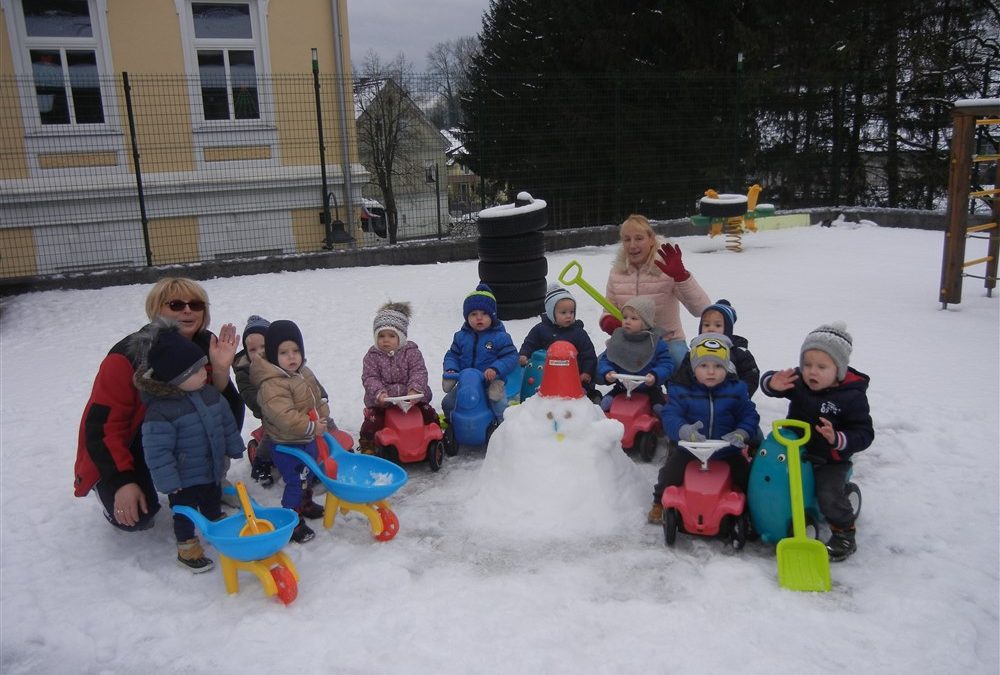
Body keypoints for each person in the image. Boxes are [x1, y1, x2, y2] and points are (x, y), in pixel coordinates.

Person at [74, 277, 241, 531]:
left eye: (195, 304)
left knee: (227, 408)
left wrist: (219, 370)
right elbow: (102, 427)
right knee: (138, 519)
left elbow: (220, 409)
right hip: (135, 443)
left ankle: (205, 478)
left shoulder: (205, 344)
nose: (187, 310)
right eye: (175, 304)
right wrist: (122, 481)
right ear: (156, 310)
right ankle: (107, 487)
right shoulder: (127, 356)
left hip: (178, 435)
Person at [135, 319, 245, 572]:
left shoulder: (209, 395)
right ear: (176, 379)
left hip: (210, 467)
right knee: (184, 512)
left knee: (211, 498)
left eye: (202, 368)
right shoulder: (160, 412)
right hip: (183, 479)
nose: (204, 373)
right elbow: (157, 452)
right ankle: (187, 547)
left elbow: (226, 422)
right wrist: (168, 481)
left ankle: (215, 523)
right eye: (196, 372)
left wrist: (233, 445)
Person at [760, 322, 873, 561]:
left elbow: (864, 433)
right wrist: (772, 383)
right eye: (807, 364)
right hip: (794, 449)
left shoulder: (851, 397)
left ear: (839, 369)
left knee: (828, 493)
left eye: (822, 366)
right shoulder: (801, 381)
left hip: (828, 459)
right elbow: (773, 382)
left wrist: (838, 438)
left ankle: (844, 533)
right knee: (765, 474)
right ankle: (763, 515)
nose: (812, 371)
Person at [648, 333, 760, 524]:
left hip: (726, 448)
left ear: (727, 367)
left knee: (746, 474)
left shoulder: (736, 390)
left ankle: (752, 510)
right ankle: (659, 501)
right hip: (691, 448)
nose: (711, 372)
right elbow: (671, 414)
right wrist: (683, 430)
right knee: (670, 471)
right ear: (693, 367)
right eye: (704, 365)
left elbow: (749, 415)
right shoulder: (682, 390)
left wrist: (742, 432)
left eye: (718, 366)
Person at [250, 319, 332, 544]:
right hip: (287, 443)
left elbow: (316, 396)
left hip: (307, 437)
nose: (292, 357)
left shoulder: (303, 372)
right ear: (273, 355)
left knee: (308, 474)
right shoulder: (272, 384)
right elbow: (284, 417)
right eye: (284, 352)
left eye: (296, 350)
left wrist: (323, 412)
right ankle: (291, 517)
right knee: (296, 480)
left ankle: (305, 503)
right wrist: (312, 426)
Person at [600, 214, 711, 367]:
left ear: (651, 239)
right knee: (598, 367)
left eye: (639, 238)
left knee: (687, 370)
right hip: (631, 342)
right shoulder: (617, 273)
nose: (632, 245)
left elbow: (701, 309)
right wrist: (608, 321)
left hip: (667, 341)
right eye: (627, 239)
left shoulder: (667, 269)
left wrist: (681, 276)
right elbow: (608, 310)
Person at [359, 302, 439, 454]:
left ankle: (435, 438)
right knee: (371, 423)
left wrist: (415, 390)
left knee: (429, 414)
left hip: (411, 399)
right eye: (381, 336)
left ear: (401, 337)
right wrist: (379, 393)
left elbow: (419, 371)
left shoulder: (412, 353)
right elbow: (370, 377)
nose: (385, 340)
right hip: (384, 401)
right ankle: (367, 446)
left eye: (391, 335)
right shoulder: (372, 356)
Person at [442, 283, 519, 420]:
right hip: (466, 382)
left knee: (497, 403)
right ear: (467, 317)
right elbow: (452, 355)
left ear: (493, 316)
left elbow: (511, 357)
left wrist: (495, 369)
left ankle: (502, 427)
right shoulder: (460, 337)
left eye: (484, 314)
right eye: (473, 314)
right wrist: (452, 369)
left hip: (491, 381)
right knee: (448, 403)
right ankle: (453, 426)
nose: (479, 318)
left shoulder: (500, 337)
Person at [518, 284, 599, 400]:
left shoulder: (578, 333)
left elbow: (588, 354)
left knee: (581, 394)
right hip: (547, 375)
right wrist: (524, 354)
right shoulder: (541, 330)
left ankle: (591, 396)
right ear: (551, 313)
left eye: (572, 312)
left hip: (575, 377)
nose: (569, 316)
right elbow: (530, 343)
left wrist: (587, 372)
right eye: (563, 312)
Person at [596, 295, 674, 412]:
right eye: (625, 317)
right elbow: (607, 359)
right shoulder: (618, 339)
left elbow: (666, 363)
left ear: (646, 322)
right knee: (605, 404)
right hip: (622, 386)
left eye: (634, 318)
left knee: (659, 408)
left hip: (649, 387)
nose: (627, 321)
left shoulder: (655, 341)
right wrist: (608, 371)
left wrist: (655, 375)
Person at [674, 299, 760, 397]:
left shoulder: (737, 352)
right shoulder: (694, 351)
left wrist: (743, 394)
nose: (711, 328)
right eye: (706, 325)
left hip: (730, 400)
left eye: (718, 325)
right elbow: (682, 376)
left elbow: (750, 375)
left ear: (728, 329)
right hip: (697, 400)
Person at [234, 315, 275, 487]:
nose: (259, 352)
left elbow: (305, 378)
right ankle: (261, 461)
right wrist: (269, 405)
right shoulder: (245, 372)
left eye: (264, 346)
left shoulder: (283, 361)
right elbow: (248, 394)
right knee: (273, 435)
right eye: (252, 349)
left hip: (295, 409)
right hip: (269, 413)